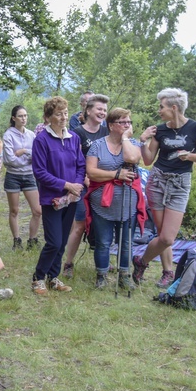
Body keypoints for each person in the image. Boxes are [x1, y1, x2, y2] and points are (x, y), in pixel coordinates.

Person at [133, 88, 196, 287]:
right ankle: (168, 272)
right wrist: (143, 141)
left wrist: (190, 156)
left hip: (180, 183)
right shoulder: (160, 130)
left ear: (174, 108)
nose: (159, 110)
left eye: (162, 107)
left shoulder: (195, 127)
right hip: (158, 181)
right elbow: (149, 160)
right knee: (161, 234)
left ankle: (141, 261)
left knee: (167, 238)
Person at [85, 108, 147, 289]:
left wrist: (126, 138)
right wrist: (116, 174)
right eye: (123, 122)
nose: (127, 125)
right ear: (111, 125)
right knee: (103, 242)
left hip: (128, 202)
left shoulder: (132, 143)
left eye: (129, 122)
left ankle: (124, 275)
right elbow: (91, 172)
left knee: (126, 242)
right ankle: (101, 276)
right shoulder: (97, 145)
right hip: (102, 203)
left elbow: (134, 159)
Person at [31, 97, 84, 295]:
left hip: (71, 198)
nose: (63, 117)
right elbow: (40, 172)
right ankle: (38, 277)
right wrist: (66, 185)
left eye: (65, 113)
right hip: (51, 199)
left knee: (62, 241)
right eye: (58, 114)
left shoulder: (74, 138)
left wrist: (76, 186)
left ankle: (54, 277)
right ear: (47, 117)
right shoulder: (42, 140)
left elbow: (80, 164)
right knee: (53, 241)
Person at [63, 94, 110, 278]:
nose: (102, 112)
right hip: (82, 186)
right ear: (88, 111)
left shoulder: (106, 132)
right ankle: (68, 263)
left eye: (105, 110)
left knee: (102, 224)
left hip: (102, 186)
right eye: (99, 109)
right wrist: (83, 179)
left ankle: (104, 262)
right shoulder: (77, 133)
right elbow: (71, 162)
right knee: (80, 225)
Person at [3, 105, 42, 251]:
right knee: (14, 210)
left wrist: (24, 151)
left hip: (29, 175)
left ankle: (32, 240)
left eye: (25, 115)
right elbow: (9, 160)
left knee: (38, 210)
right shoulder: (8, 135)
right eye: (20, 116)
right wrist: (27, 158)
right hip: (13, 176)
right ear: (14, 118)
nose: (24, 118)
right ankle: (17, 240)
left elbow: (37, 156)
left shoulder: (31, 135)